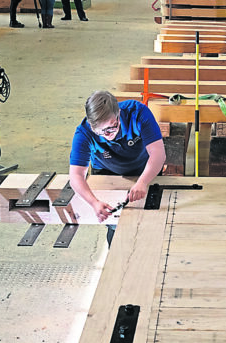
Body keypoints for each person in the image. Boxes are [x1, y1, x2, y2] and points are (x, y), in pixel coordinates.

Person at [70, 91, 166, 243]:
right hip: (107, 171)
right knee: (116, 222)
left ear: (119, 113)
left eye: (112, 127)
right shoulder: (84, 132)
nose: (107, 134)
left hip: (144, 167)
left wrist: (142, 182)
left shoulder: (138, 113)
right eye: (101, 131)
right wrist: (94, 202)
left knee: (149, 215)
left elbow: (158, 154)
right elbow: (75, 176)